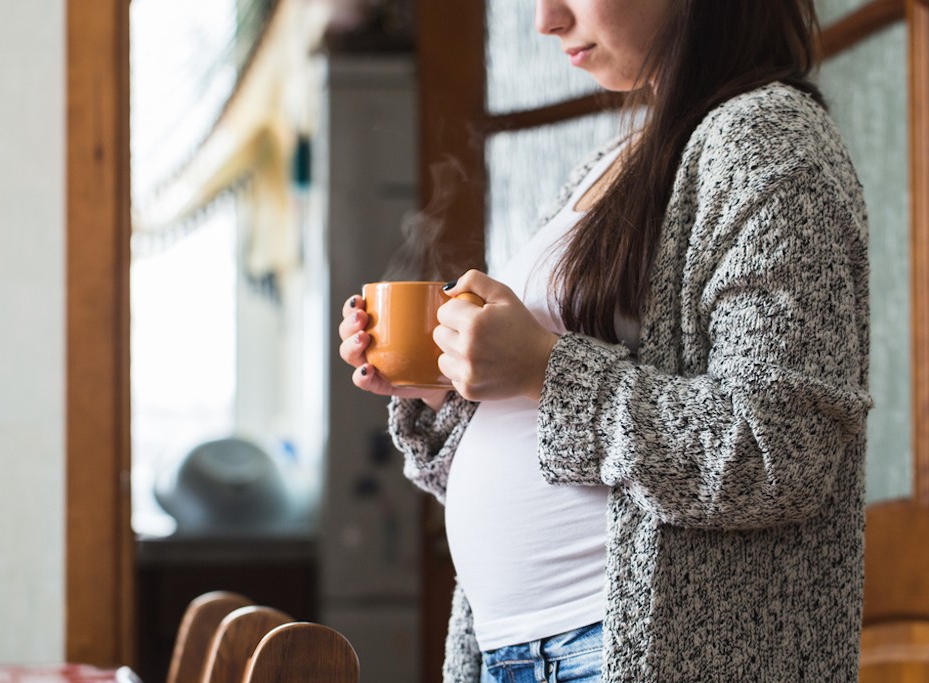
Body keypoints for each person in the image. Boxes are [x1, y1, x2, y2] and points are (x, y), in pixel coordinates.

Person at [338, 0, 872, 680]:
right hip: (521, 652)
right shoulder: (609, 163)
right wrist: (447, 390)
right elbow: (564, 442)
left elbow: (781, 450)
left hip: (628, 655)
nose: (546, 20)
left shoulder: (766, 140)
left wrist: (542, 368)